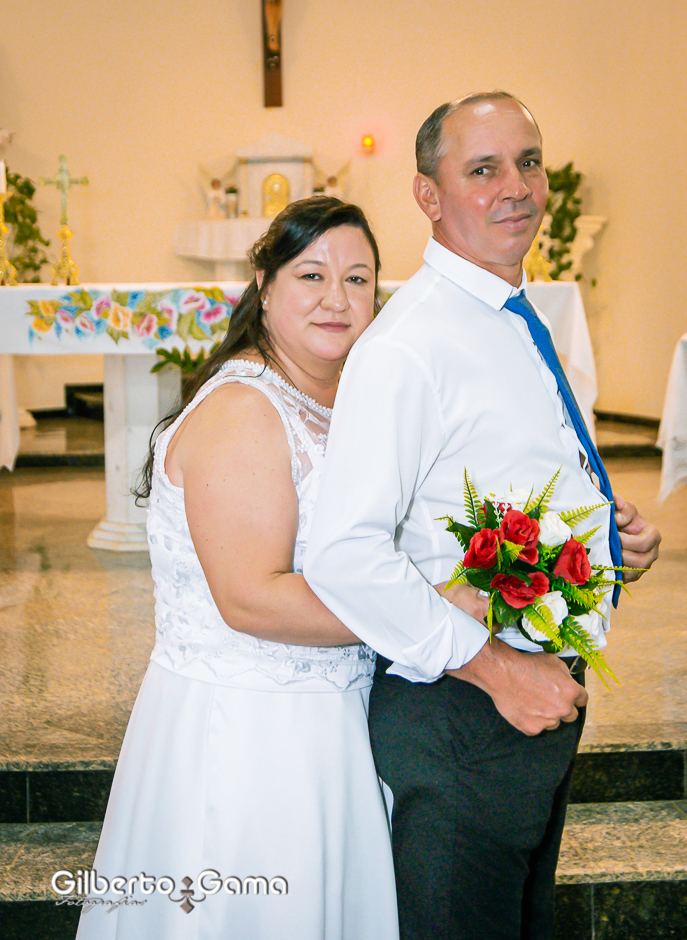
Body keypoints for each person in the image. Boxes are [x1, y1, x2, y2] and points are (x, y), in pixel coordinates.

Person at [304, 94, 661, 940]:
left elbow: (515, 468)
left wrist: (607, 539)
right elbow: (342, 553)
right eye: (482, 169)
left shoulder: (513, 315)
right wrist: (498, 670)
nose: (516, 187)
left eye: (528, 161)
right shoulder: (407, 346)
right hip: (462, 713)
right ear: (427, 195)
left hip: (536, 692)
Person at [77, 196, 406, 940]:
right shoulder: (244, 410)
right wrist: (430, 611)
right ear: (264, 284)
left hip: (331, 724)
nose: (336, 298)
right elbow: (252, 598)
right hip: (253, 736)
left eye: (357, 279)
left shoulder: (341, 399)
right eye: (311, 275)